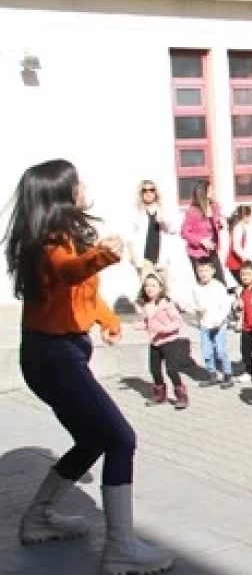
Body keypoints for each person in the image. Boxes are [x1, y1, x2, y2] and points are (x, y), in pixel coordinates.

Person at [6, 158, 173, 572]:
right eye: (76, 182)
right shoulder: (47, 245)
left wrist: (107, 318)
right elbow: (70, 272)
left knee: (92, 439)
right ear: (61, 194)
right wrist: (102, 256)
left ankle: (40, 517)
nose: (83, 187)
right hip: (53, 356)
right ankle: (121, 548)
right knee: (120, 439)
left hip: (59, 354)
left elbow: (78, 290)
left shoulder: (63, 236)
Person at [136, 273, 189, 409]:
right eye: (147, 286)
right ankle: (160, 395)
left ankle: (181, 395)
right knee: (154, 369)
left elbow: (178, 321)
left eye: (153, 286)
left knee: (171, 369)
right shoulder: (147, 306)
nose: (149, 288)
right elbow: (147, 322)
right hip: (155, 342)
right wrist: (140, 325)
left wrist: (165, 329)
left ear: (160, 288)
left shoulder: (166, 304)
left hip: (169, 341)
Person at [191, 258, 234, 388]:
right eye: (200, 271)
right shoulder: (196, 288)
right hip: (205, 324)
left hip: (219, 325)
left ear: (213, 271)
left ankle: (227, 374)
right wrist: (197, 310)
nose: (203, 273)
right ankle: (212, 374)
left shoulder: (218, 287)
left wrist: (219, 320)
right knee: (206, 351)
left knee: (221, 350)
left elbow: (225, 305)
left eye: (206, 270)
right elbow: (193, 304)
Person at [128, 179, 175, 282]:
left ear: (156, 192)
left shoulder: (163, 210)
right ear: (141, 194)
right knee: (148, 288)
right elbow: (130, 236)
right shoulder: (136, 212)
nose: (148, 193)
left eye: (151, 190)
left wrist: (164, 221)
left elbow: (173, 230)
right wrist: (133, 255)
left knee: (164, 288)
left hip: (161, 258)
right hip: (144, 259)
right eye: (144, 190)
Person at [179, 179, 224, 282]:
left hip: (212, 250)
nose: (213, 192)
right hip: (198, 253)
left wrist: (221, 223)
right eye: (210, 190)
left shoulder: (214, 207)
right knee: (204, 281)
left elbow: (214, 224)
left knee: (220, 282)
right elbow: (184, 232)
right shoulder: (193, 211)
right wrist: (201, 241)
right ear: (203, 192)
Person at [224, 205, 252, 285]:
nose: (251, 218)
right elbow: (236, 247)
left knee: (245, 284)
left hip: (236, 260)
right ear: (245, 216)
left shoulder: (239, 226)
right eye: (250, 216)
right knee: (246, 284)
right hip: (235, 261)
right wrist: (246, 260)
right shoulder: (239, 227)